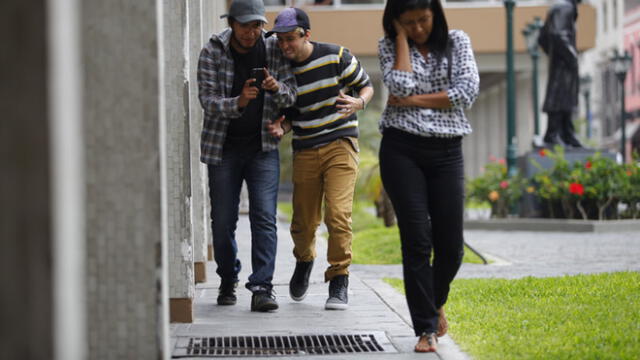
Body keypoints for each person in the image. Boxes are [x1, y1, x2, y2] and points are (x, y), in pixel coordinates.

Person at [378, 0, 479, 352]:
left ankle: (434, 302)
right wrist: (401, 39)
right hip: (401, 150)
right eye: (410, 23)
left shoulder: (457, 41)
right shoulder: (388, 45)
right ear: (397, 23)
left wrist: (412, 102)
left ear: (435, 14)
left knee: (451, 248)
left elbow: (466, 93)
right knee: (418, 239)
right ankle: (425, 328)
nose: (419, 28)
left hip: (447, 151)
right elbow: (400, 86)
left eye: (423, 20)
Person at [265, 7, 373, 310]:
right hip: (305, 148)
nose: (285, 46)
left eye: (291, 39)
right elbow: (292, 116)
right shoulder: (283, 70)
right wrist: (280, 126)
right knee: (303, 222)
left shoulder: (336, 56)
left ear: (306, 34)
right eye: (281, 40)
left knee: (338, 215)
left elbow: (367, 85)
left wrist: (359, 102)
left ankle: (339, 278)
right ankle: (305, 260)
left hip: (340, 142)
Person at [197, 0, 296, 312]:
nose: (252, 32)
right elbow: (208, 101)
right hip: (223, 148)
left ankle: (262, 287)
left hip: (262, 148)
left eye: (257, 25)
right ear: (232, 24)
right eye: (245, 25)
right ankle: (228, 278)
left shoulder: (274, 50)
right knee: (223, 220)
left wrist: (275, 87)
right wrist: (238, 102)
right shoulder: (212, 51)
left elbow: (292, 94)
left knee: (264, 216)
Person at [538, 0, 583, 148]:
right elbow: (557, 34)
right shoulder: (566, 8)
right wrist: (571, 56)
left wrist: (553, 54)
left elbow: (542, 38)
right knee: (560, 97)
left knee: (564, 97)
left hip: (559, 61)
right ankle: (554, 134)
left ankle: (566, 133)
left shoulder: (558, 8)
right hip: (564, 62)